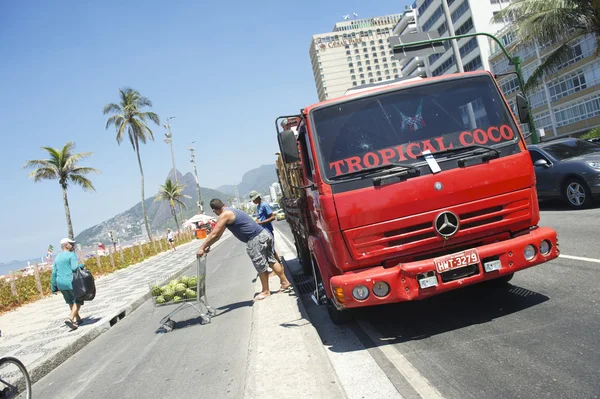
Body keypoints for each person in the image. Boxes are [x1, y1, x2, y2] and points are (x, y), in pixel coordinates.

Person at [196, 198, 291, 301]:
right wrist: (208, 245)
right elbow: (218, 234)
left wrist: (202, 247)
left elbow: (214, 233)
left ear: (214, 210)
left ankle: (266, 291)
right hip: (263, 234)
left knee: (260, 264)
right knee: (271, 260)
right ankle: (285, 282)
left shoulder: (225, 214)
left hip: (255, 239)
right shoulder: (231, 210)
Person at [51, 238, 85, 330]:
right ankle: (71, 318)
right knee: (78, 300)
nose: (73, 246)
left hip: (60, 283)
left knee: (70, 300)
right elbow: (74, 268)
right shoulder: (71, 255)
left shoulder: (57, 257)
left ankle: (78, 318)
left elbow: (54, 272)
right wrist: (82, 266)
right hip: (70, 281)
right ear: (66, 245)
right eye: (71, 244)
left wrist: (53, 287)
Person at [249, 191, 281, 276]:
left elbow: (272, 217)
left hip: (268, 230)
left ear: (257, 198)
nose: (253, 202)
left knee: (271, 250)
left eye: (253, 200)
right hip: (263, 231)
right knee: (269, 250)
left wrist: (261, 222)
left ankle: (278, 268)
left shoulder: (264, 205)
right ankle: (278, 267)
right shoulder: (258, 206)